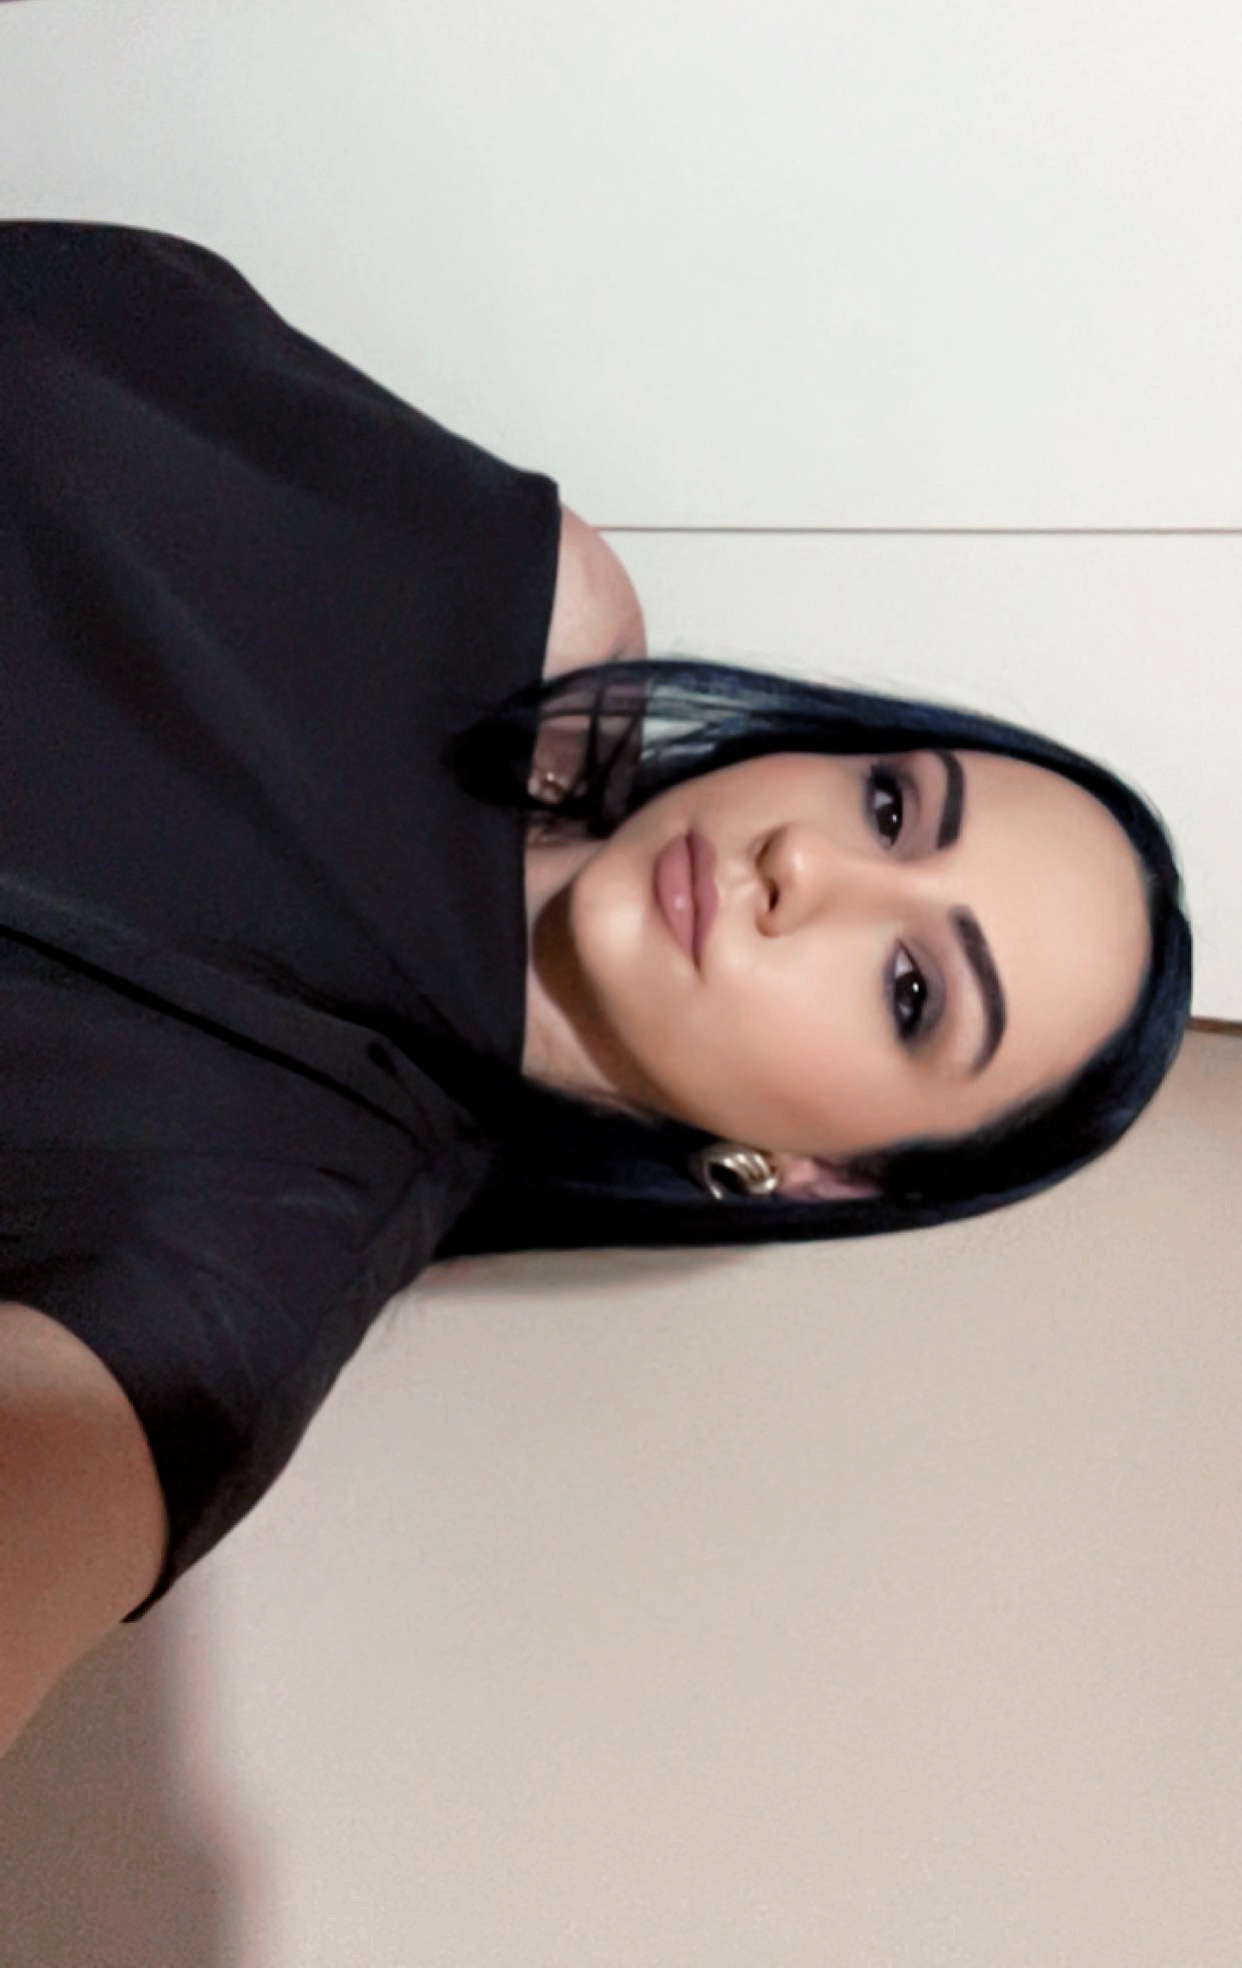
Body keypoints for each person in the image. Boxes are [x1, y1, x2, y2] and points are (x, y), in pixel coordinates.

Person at [0, 222, 1191, 1753]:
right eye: (893, 807)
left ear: (816, 1178)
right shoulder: (541, 597)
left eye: (910, 990)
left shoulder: (259, 1242)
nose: (807, 868)